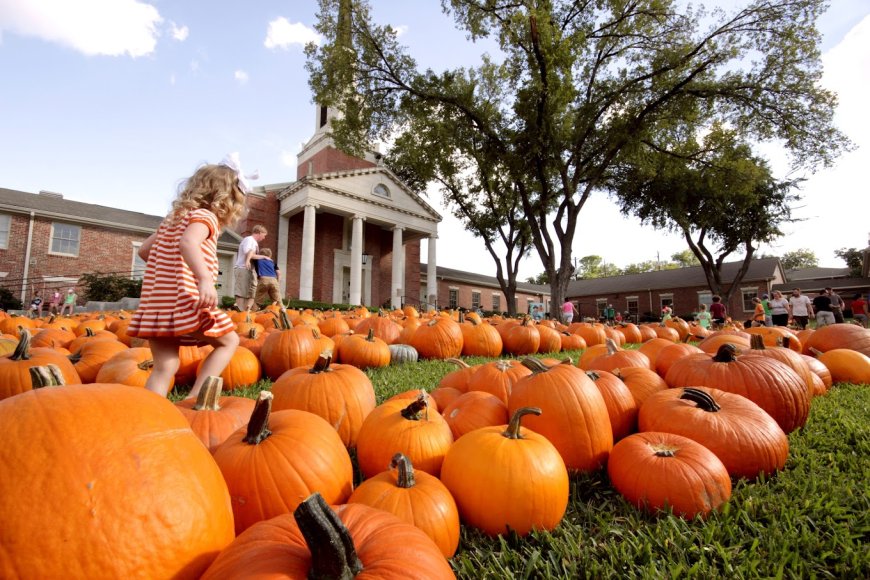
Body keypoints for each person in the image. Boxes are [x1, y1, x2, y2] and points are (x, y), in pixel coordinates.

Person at [127, 155, 248, 398]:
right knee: (229, 342)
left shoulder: (172, 221)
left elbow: (144, 251)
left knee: (165, 366)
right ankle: (196, 398)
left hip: (157, 306)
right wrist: (203, 279)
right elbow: (189, 242)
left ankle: (150, 409)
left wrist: (166, 269)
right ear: (227, 198)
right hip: (185, 300)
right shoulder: (206, 217)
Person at [234, 224, 267, 311]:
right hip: (243, 268)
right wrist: (263, 257)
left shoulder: (254, 243)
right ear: (259, 232)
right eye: (264, 235)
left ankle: (247, 312)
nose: (264, 238)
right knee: (242, 292)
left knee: (250, 292)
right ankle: (240, 312)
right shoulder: (249, 240)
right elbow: (248, 252)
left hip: (250, 270)